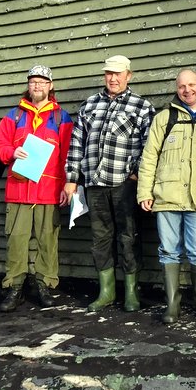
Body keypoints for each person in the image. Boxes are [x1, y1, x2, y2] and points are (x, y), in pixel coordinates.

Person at [64, 54, 155, 312]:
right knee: (100, 238)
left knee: (129, 237)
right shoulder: (89, 105)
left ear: (128, 75)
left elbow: (149, 145)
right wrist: (72, 179)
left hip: (124, 183)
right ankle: (106, 291)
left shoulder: (141, 106)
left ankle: (131, 292)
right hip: (94, 182)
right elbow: (76, 144)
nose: (113, 78)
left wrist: (137, 172)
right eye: (108, 74)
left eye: (118, 74)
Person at [138, 69, 196, 323]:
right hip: (167, 194)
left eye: (191, 85)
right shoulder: (165, 118)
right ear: (176, 90)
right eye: (181, 87)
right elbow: (149, 157)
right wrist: (145, 191)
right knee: (169, 250)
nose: (187, 90)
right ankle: (172, 304)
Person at [0, 64, 72, 312]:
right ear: (28, 85)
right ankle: (15, 286)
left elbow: (68, 155)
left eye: (42, 82)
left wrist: (67, 185)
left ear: (51, 86)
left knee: (48, 241)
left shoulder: (61, 118)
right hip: (19, 190)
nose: (37, 86)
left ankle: (44, 284)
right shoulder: (14, 115)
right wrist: (11, 151)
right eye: (33, 81)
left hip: (49, 192)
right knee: (16, 241)